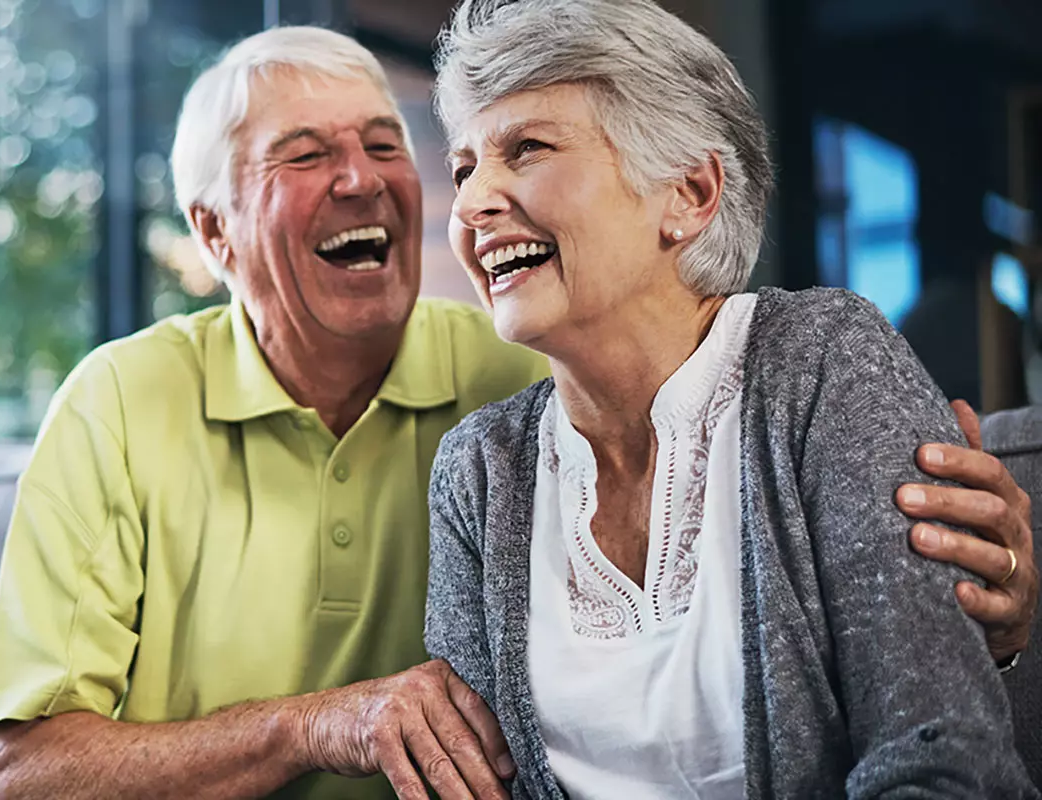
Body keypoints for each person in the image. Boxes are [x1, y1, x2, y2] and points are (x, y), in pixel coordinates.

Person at [0, 23, 1034, 800]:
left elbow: (941, 741)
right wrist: (320, 719)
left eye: (390, 146)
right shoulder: (487, 452)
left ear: (690, 194)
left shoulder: (759, 363)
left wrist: (981, 603)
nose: (457, 197)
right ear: (213, 235)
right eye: (305, 155)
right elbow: (17, 774)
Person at [425, 0, 1039, 797]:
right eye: (464, 167)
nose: (472, 205)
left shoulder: (822, 362)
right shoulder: (477, 470)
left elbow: (943, 760)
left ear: (689, 192)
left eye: (527, 149)